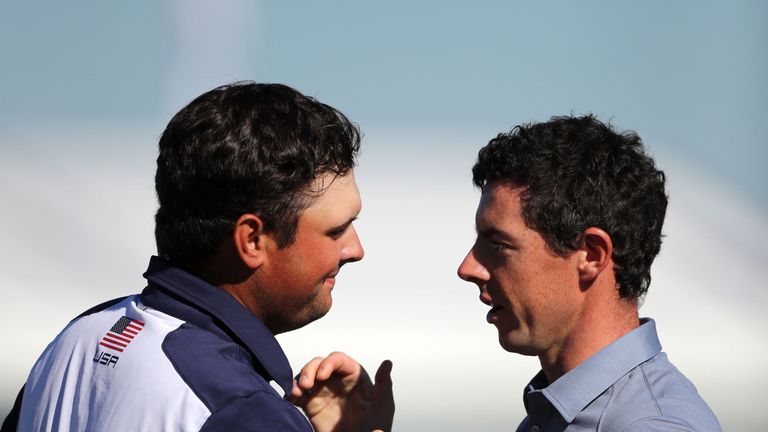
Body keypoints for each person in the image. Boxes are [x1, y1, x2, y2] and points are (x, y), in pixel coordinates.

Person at [2, 82, 392, 432]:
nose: (355, 249)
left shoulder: (78, 339)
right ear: (252, 240)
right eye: (336, 229)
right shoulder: (240, 411)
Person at [295, 115, 722, 431]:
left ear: (591, 255)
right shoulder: (558, 412)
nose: (468, 268)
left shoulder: (652, 425)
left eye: (498, 245)